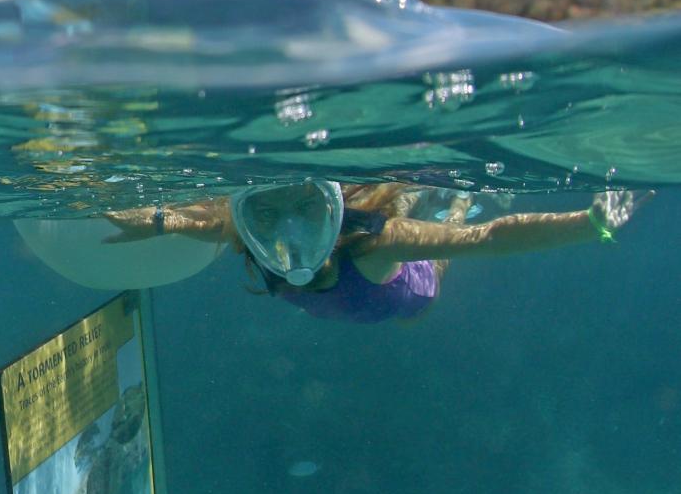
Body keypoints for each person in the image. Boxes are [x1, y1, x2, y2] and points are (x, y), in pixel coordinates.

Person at [105, 181, 645, 323]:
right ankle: (430, 194)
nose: (289, 242)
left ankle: (455, 200)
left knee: (440, 237)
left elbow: (489, 236)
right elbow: (219, 225)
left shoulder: (374, 241)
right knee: (399, 200)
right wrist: (157, 220)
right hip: (354, 296)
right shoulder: (258, 231)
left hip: (406, 295)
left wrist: (588, 224)